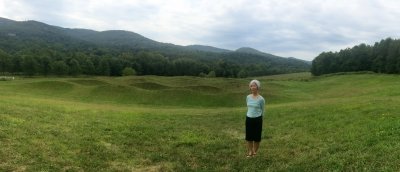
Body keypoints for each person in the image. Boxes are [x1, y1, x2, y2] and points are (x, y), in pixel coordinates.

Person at [245, 79, 265, 158]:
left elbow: (263, 110)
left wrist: (262, 120)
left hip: (258, 119)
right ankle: (250, 151)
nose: (253, 87)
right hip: (249, 119)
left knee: (257, 137)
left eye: (254, 85)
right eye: (251, 86)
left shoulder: (261, 99)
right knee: (249, 137)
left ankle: (254, 152)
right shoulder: (248, 97)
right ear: (250, 87)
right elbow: (248, 107)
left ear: (258, 87)